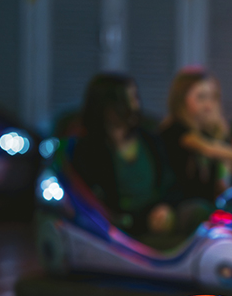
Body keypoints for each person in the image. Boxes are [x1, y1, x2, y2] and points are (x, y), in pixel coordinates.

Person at [70, 73, 177, 236]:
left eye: (135, 97)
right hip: (113, 229)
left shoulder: (151, 140)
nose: (135, 105)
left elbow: (169, 182)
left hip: (155, 219)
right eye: (128, 100)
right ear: (107, 106)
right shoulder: (87, 150)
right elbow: (89, 198)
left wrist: (164, 207)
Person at [160, 68, 232, 202]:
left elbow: (222, 186)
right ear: (181, 99)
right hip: (178, 204)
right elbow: (207, 148)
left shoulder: (212, 134)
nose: (208, 105)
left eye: (213, 97)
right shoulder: (174, 130)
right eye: (201, 97)